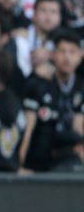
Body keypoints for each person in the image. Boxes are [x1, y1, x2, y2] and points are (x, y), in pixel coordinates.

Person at [18, 29, 84, 173]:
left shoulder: (81, 87)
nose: (67, 57)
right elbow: (28, 127)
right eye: (62, 51)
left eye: (72, 52)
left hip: (67, 156)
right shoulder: (39, 84)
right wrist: (19, 165)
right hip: (38, 159)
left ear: (80, 55)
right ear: (53, 55)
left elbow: (78, 127)